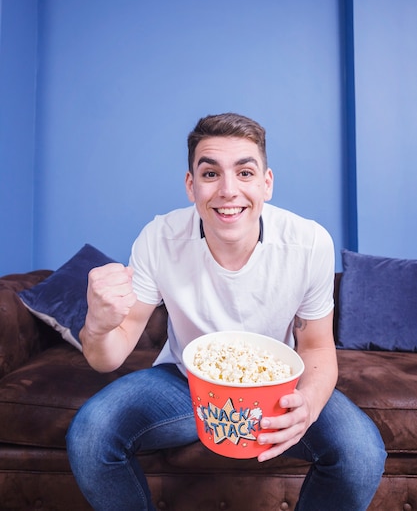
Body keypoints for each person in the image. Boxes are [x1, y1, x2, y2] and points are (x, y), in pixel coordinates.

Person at [67, 112, 386, 510]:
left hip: (278, 391)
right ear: (191, 185)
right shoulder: (160, 238)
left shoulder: (308, 244)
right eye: (211, 173)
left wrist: (308, 405)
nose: (228, 190)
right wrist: (96, 326)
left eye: (246, 173)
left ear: (267, 184)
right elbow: (108, 356)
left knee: (361, 454)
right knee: (91, 434)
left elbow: (317, 348)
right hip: (185, 384)